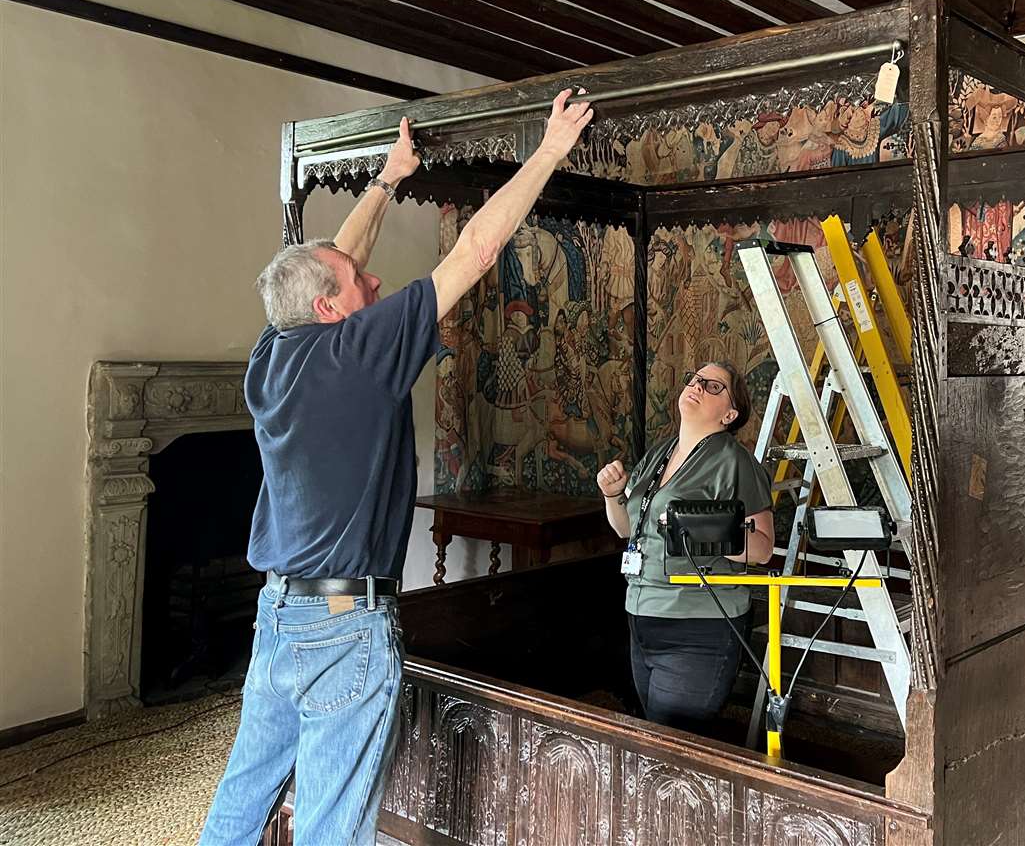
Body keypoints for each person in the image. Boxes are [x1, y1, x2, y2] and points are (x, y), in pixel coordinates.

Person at [199, 90, 592, 846]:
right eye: (360, 285)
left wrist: (387, 179)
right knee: (329, 826)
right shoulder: (358, 356)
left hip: (278, 618)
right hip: (343, 628)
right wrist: (548, 150)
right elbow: (474, 252)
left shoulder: (272, 355)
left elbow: (333, 264)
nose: (374, 283)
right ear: (330, 310)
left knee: (240, 803)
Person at [595, 362, 774, 732]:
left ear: (730, 413)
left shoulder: (735, 463)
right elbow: (630, 528)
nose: (696, 385)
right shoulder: (660, 453)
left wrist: (697, 529)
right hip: (642, 617)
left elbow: (763, 547)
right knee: (654, 735)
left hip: (698, 626)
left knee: (671, 742)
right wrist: (613, 496)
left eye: (712, 386)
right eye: (694, 379)